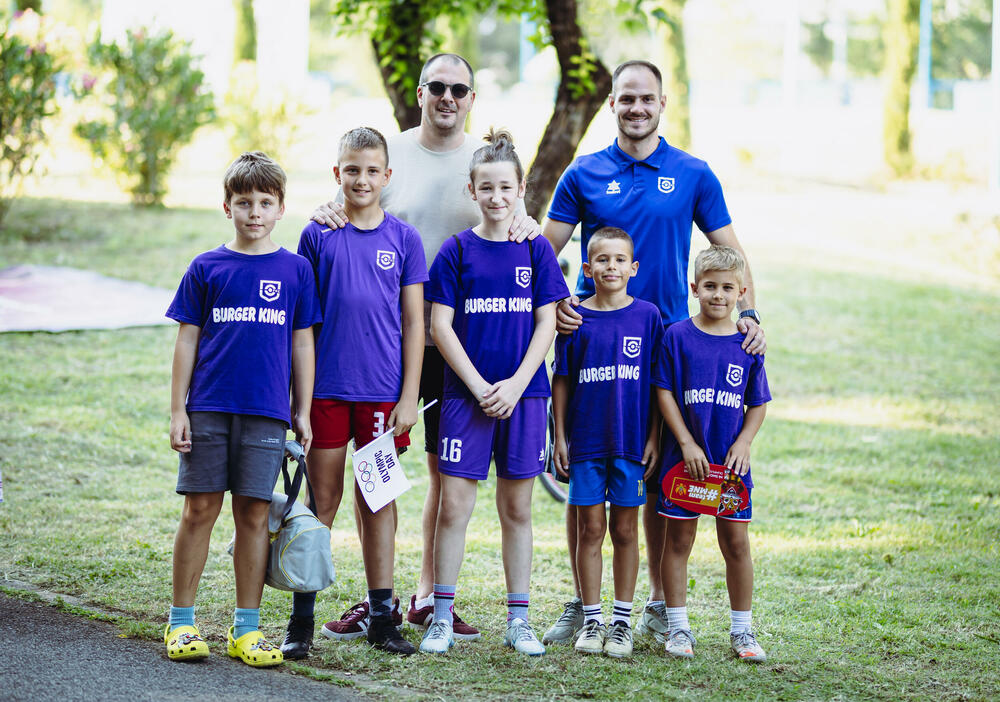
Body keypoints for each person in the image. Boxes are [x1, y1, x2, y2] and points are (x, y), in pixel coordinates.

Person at [310, 53, 538, 642]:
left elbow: (520, 224)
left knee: (445, 472)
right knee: (374, 470)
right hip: (393, 344)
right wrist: (325, 208)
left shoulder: (484, 162)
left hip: (464, 339)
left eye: (459, 89)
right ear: (419, 92)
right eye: (437, 86)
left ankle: (427, 598)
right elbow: (350, 204)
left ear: (471, 98)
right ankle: (374, 598)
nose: (447, 96)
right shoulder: (392, 153)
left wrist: (535, 241)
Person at [541, 59, 766, 645]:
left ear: (663, 104)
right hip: (595, 347)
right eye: (625, 99)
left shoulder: (693, 173)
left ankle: (660, 605)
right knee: (588, 470)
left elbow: (733, 256)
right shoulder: (583, 173)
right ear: (611, 105)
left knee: (655, 469)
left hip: (667, 352)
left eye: (647, 99)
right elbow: (544, 254)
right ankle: (582, 600)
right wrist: (559, 304)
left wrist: (749, 317)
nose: (636, 108)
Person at [164, 151, 319, 667]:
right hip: (208, 407)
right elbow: (187, 341)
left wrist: (302, 409)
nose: (254, 212)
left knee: (254, 515)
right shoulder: (206, 267)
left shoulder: (296, 270)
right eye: (244, 202)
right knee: (200, 509)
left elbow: (302, 345)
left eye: (265, 202)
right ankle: (181, 623)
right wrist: (177, 409)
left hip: (267, 413)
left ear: (280, 209)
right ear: (226, 206)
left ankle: (246, 631)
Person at [418, 130, 568, 656]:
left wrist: (519, 383)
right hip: (466, 397)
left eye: (506, 187)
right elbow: (440, 326)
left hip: (524, 398)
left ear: (521, 188)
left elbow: (547, 323)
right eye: (486, 187)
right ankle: (439, 615)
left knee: (517, 510)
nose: (497, 197)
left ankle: (519, 619)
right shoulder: (457, 251)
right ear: (472, 190)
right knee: (454, 507)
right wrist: (481, 386)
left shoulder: (536, 250)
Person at [279, 128, 426, 658]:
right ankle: (302, 620)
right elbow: (302, 326)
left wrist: (408, 396)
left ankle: (382, 617)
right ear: (336, 173)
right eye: (351, 169)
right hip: (326, 394)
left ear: (387, 177)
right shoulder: (318, 234)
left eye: (371, 171)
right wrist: (300, 400)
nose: (361, 180)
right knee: (322, 502)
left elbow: (414, 323)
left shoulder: (405, 240)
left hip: (383, 397)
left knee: (377, 499)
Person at [550, 227, 663, 659]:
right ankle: (592, 619)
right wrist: (559, 436)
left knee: (625, 529)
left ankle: (621, 622)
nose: (611, 267)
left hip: (631, 444)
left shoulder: (647, 317)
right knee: (591, 528)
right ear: (587, 268)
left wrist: (653, 435)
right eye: (602, 260)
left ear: (633, 268)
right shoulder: (576, 318)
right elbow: (561, 380)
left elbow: (657, 384)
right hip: (586, 443)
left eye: (620, 260)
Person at [655, 244, 770, 662]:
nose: (718, 295)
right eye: (709, 287)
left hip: (729, 467)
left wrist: (744, 442)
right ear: (694, 288)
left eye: (727, 288)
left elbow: (758, 403)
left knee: (736, 543)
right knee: (679, 540)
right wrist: (685, 442)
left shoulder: (747, 344)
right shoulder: (677, 336)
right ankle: (679, 628)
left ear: (742, 292)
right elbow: (663, 391)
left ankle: (743, 632)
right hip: (685, 465)